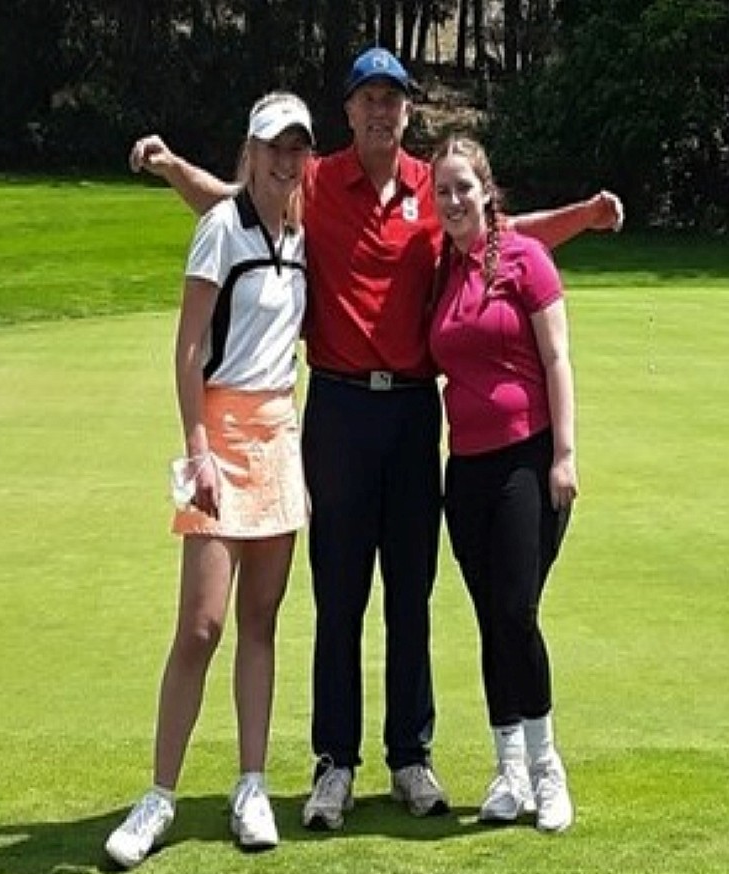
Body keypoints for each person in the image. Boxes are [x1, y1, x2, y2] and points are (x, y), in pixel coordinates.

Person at [127, 46, 622, 834]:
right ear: (350, 111)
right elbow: (230, 200)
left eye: (394, 100)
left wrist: (586, 220)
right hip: (338, 410)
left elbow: (503, 231)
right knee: (340, 592)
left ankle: (409, 756)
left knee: (411, 592)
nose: (382, 111)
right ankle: (335, 763)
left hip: (413, 413)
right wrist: (169, 166)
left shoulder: (435, 189)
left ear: (407, 113)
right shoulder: (315, 178)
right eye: (368, 99)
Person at [105, 92, 314, 868]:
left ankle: (251, 785)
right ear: (251, 150)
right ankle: (159, 795)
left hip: (280, 434)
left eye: (297, 148)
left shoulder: (302, 230)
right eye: (273, 147)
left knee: (261, 621)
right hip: (219, 433)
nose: (286, 160)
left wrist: (168, 166)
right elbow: (188, 350)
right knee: (202, 624)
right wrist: (196, 450)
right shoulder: (220, 231)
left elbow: (217, 185)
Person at [429, 134, 580, 831]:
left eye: (464, 187)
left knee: (517, 611)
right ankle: (508, 770)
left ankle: (547, 770)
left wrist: (565, 456)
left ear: (487, 191)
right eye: (443, 192)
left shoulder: (526, 260)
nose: (454, 200)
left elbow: (556, 360)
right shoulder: (441, 272)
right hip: (466, 470)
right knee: (492, 620)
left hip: (528, 457)